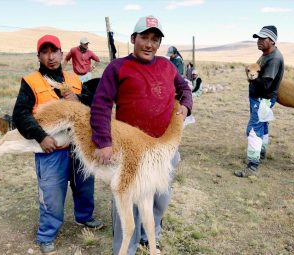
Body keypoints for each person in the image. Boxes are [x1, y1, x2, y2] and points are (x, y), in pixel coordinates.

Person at [89, 15, 192, 255]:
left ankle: (150, 236)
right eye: (144, 38)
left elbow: (184, 87)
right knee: (128, 201)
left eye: (154, 39)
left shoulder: (167, 66)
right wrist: (103, 141)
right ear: (133, 39)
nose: (149, 44)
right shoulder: (118, 67)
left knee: (159, 199)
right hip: (131, 150)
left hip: (163, 148)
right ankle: (126, 248)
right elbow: (101, 104)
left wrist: (186, 104)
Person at [12, 34, 103, 254]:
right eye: (45, 52)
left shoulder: (73, 80)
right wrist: (40, 136)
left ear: (62, 54)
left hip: (78, 147)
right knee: (51, 194)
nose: (50, 57)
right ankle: (47, 234)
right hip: (51, 150)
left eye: (54, 52)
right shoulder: (31, 82)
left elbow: (92, 99)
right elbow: (20, 114)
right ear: (39, 56)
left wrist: (79, 100)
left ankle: (84, 217)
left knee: (84, 186)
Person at [235, 25, 284, 178]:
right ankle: (261, 153)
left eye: (263, 38)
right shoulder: (266, 55)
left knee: (254, 130)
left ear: (272, 41)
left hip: (263, 99)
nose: (259, 41)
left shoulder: (274, 58)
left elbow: (265, 85)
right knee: (262, 125)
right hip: (261, 99)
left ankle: (252, 166)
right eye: (258, 38)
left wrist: (250, 75)